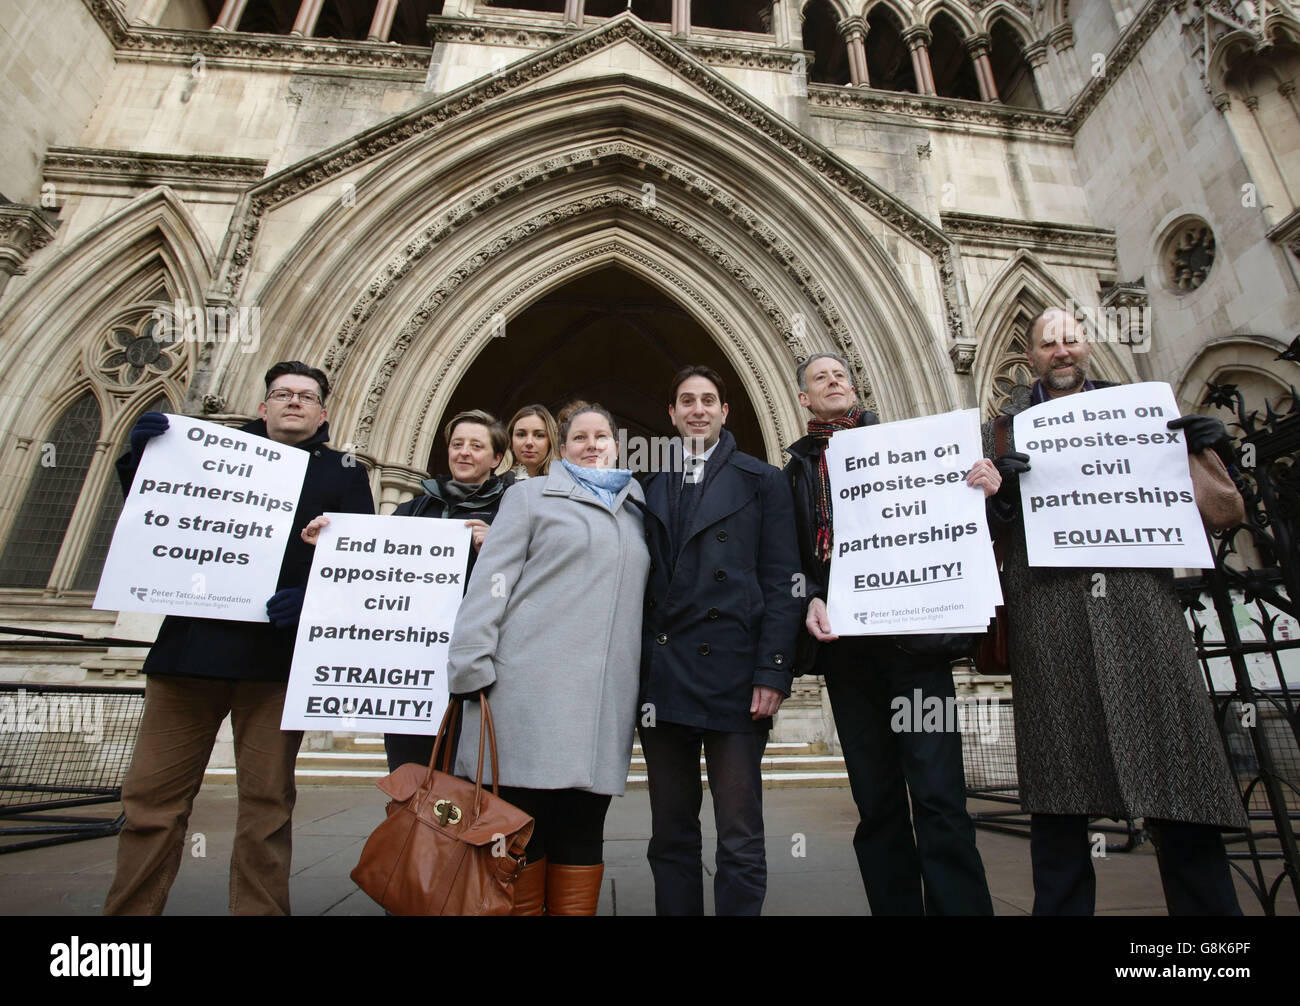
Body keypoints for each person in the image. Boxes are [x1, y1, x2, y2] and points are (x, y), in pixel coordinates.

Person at [984, 306, 1248, 915]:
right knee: (1060, 805)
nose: (1062, 350)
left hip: (1142, 617)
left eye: (1071, 339)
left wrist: (1210, 453)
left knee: (1180, 789)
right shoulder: (1000, 432)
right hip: (1050, 625)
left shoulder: (1145, 415)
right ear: (1030, 356)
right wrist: (999, 496)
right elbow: (980, 537)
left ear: (1087, 346)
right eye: (1048, 343)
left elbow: (1224, 515)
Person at [103, 361, 375, 915]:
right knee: (152, 803)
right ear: (263, 406)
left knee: (267, 807)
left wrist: (311, 598)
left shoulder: (343, 475)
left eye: (306, 396)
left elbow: (359, 565)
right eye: (282, 394)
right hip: (189, 656)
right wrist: (140, 457)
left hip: (274, 666)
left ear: (323, 413)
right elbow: (157, 514)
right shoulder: (208, 453)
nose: (293, 403)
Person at [785, 352, 998, 915]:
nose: (833, 381)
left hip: (917, 650)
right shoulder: (798, 472)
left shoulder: (917, 446)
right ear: (803, 399)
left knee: (939, 796)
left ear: (855, 388)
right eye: (819, 378)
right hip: (848, 657)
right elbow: (790, 559)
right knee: (877, 802)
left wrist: (984, 484)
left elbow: (957, 522)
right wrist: (806, 595)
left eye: (841, 374)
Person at [445, 403, 649, 916]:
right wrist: (471, 662)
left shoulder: (638, 510)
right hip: (526, 694)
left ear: (617, 445)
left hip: (602, 702)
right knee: (521, 831)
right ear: (563, 447)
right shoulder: (530, 496)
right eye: (579, 437)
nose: (591, 444)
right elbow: (490, 583)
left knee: (583, 831)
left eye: (602, 435)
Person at [638, 365, 801, 915]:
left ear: (725, 411)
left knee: (739, 834)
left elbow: (783, 582)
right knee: (671, 834)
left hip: (734, 680)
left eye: (709, 400)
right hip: (664, 681)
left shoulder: (763, 479)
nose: (698, 409)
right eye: (687, 401)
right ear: (672, 413)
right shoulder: (646, 484)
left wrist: (773, 671)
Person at [303, 409, 511, 774]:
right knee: (410, 779)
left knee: (470, 785)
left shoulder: (512, 513)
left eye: (476, 446)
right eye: (457, 444)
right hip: (411, 669)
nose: (464, 452)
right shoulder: (411, 509)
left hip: (481, 665)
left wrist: (495, 549)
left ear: (495, 459)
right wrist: (332, 543)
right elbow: (372, 569)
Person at [496, 404, 559, 480]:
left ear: (551, 442)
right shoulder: (495, 485)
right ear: (510, 442)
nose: (529, 442)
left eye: (539, 435)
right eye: (521, 434)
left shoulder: (566, 482)